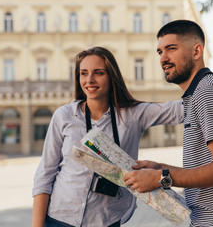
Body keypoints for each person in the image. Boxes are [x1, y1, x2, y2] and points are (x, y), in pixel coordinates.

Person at [32, 46, 184, 227]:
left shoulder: (133, 114)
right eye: (84, 73)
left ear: (112, 76)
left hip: (105, 220)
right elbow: (45, 174)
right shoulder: (63, 115)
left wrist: (207, 81)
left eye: (98, 73)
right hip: (59, 218)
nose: (89, 80)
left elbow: (180, 109)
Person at [124, 20, 213, 227]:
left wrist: (161, 177)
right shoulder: (199, 95)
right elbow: (208, 167)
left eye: (171, 49)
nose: (163, 59)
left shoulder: (208, 93)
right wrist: (160, 167)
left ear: (196, 51)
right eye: (159, 52)